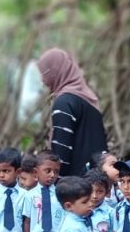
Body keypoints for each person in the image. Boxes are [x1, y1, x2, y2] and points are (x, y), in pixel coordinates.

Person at [37, 48, 109, 177]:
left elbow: (61, 152)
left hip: (74, 183)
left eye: (45, 73)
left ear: (56, 72)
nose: (42, 79)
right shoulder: (89, 99)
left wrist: (58, 181)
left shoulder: (64, 102)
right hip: (96, 181)